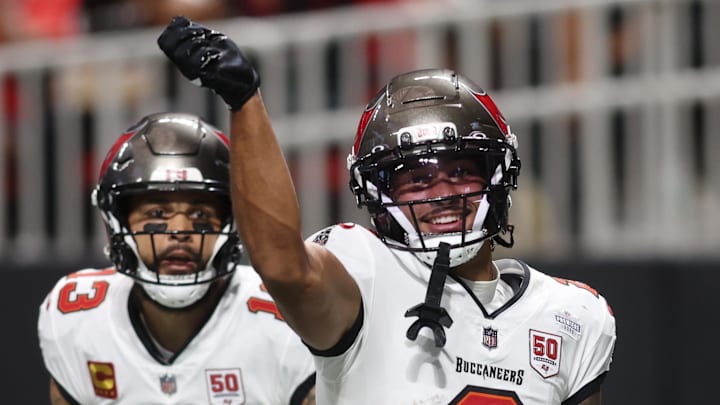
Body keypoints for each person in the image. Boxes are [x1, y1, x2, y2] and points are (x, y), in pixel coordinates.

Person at [157, 16, 616, 404]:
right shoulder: (365, 271)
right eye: (417, 180)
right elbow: (282, 266)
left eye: (460, 171)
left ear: (499, 173)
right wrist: (245, 101)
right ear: (378, 194)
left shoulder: (573, 316)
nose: (441, 193)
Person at [37, 112, 316, 404]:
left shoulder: (281, 320)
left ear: (233, 223)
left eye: (200, 215)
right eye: (157, 214)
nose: (180, 230)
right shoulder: (77, 317)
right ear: (118, 221)